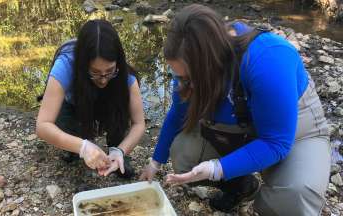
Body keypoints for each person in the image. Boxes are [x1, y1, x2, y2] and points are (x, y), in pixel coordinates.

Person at [140, 4, 331, 215]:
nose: (184, 85)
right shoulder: (187, 68)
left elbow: (277, 141)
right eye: (179, 77)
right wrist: (154, 163)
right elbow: (177, 114)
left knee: (295, 194)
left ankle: (271, 200)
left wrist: (217, 168)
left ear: (211, 62)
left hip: (294, 133)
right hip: (239, 130)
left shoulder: (268, 58)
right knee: (184, 155)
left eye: (189, 78)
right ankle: (241, 186)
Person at [36, 20, 145, 178]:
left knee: (119, 112)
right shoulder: (65, 65)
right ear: (82, 64)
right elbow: (43, 125)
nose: (102, 80)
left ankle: (117, 153)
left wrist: (121, 150)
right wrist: (82, 146)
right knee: (69, 127)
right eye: (94, 72)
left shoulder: (126, 77)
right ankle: (73, 149)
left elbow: (139, 123)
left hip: (107, 103)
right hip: (74, 104)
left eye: (109, 71)